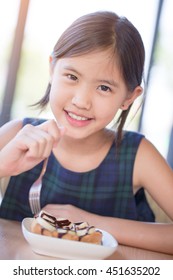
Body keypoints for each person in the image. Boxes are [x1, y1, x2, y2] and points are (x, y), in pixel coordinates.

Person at [0, 11, 173, 254]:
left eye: (103, 87)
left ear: (128, 97)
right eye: (72, 76)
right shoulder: (18, 134)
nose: (81, 101)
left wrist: (94, 224)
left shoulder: (138, 156)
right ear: (52, 69)